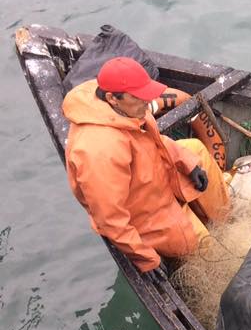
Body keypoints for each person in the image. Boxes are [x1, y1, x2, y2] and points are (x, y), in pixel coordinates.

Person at [63, 57, 229, 281]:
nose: (148, 100)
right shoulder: (99, 150)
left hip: (152, 177)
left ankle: (225, 220)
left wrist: (187, 163)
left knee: (195, 150)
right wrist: (145, 258)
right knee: (205, 248)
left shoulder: (127, 110)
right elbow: (110, 219)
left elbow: (154, 141)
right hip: (147, 213)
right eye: (139, 96)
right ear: (113, 98)